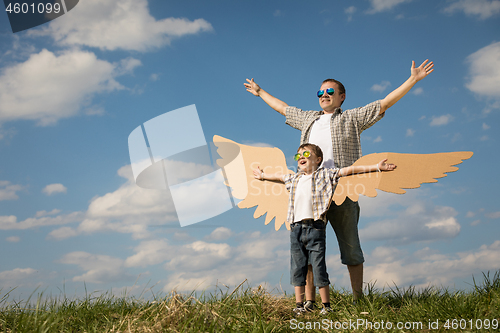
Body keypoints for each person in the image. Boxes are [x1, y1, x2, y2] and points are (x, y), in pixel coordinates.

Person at [244, 59, 433, 307]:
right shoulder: (309, 119)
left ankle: (358, 300)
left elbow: (384, 103)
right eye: (320, 93)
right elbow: (283, 108)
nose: (324, 96)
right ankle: (310, 303)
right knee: (308, 250)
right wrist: (259, 92)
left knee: (351, 246)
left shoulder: (352, 119)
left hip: (342, 190)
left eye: (329, 92)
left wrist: (412, 80)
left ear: (342, 97)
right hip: (311, 194)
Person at [253, 143, 396, 315]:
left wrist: (376, 168)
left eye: (306, 153)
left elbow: (350, 170)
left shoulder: (326, 175)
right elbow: (279, 177)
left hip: (315, 227)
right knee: (298, 267)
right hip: (296, 228)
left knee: (318, 266)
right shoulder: (294, 178)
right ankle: (301, 306)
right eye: (298, 155)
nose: (301, 157)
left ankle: (326, 306)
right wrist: (262, 176)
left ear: (318, 159)